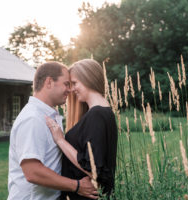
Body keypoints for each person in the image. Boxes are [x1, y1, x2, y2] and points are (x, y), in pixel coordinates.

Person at [8, 61, 98, 200]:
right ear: (49, 82)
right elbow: (33, 172)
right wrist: (77, 186)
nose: (70, 90)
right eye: (66, 84)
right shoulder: (33, 119)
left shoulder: (49, 115)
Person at [46, 59, 118, 200]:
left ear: (88, 79)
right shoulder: (103, 112)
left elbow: (94, 169)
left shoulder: (96, 114)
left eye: (74, 83)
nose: (72, 89)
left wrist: (61, 140)